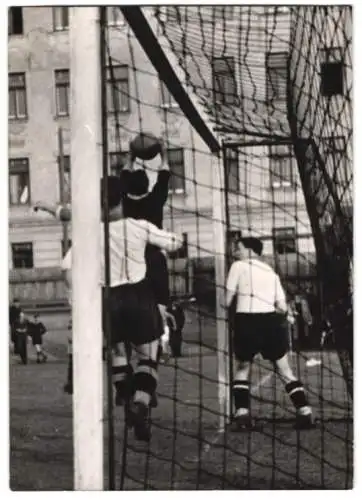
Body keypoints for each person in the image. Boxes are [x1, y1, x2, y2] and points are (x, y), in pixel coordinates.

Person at [59, 176, 183, 441]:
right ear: (123, 199)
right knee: (148, 357)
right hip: (138, 295)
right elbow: (175, 242)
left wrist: (77, 298)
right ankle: (140, 402)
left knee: (118, 353)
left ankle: (127, 401)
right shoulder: (138, 226)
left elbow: (66, 267)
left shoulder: (91, 233)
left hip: (108, 298)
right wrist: (161, 249)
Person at [225, 236, 314, 430]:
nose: (235, 252)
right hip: (271, 322)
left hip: (247, 320)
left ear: (249, 250)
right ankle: (305, 411)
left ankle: (242, 416)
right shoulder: (271, 272)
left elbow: (226, 299)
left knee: (242, 368)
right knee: (284, 369)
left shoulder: (238, 266)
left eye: (237, 248)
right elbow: (281, 306)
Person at [119, 143, 175, 356]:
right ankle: (162, 338)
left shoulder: (123, 202)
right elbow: (165, 173)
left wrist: (131, 156)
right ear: (147, 185)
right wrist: (164, 152)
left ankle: (127, 345)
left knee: (131, 300)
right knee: (160, 302)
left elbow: (124, 173)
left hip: (131, 257)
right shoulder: (155, 200)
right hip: (154, 256)